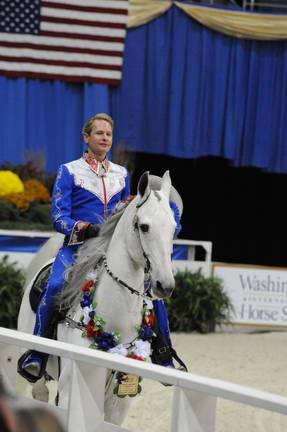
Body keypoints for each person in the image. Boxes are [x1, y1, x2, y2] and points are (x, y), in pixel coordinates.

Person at [20, 113, 179, 381]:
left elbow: (125, 212)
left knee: (150, 291)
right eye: (99, 133)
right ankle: (37, 353)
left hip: (112, 246)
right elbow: (59, 217)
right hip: (78, 245)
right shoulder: (69, 170)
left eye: (108, 134)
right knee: (56, 284)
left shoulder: (121, 173)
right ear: (86, 137)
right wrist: (87, 228)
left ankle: (163, 352)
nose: (105, 138)